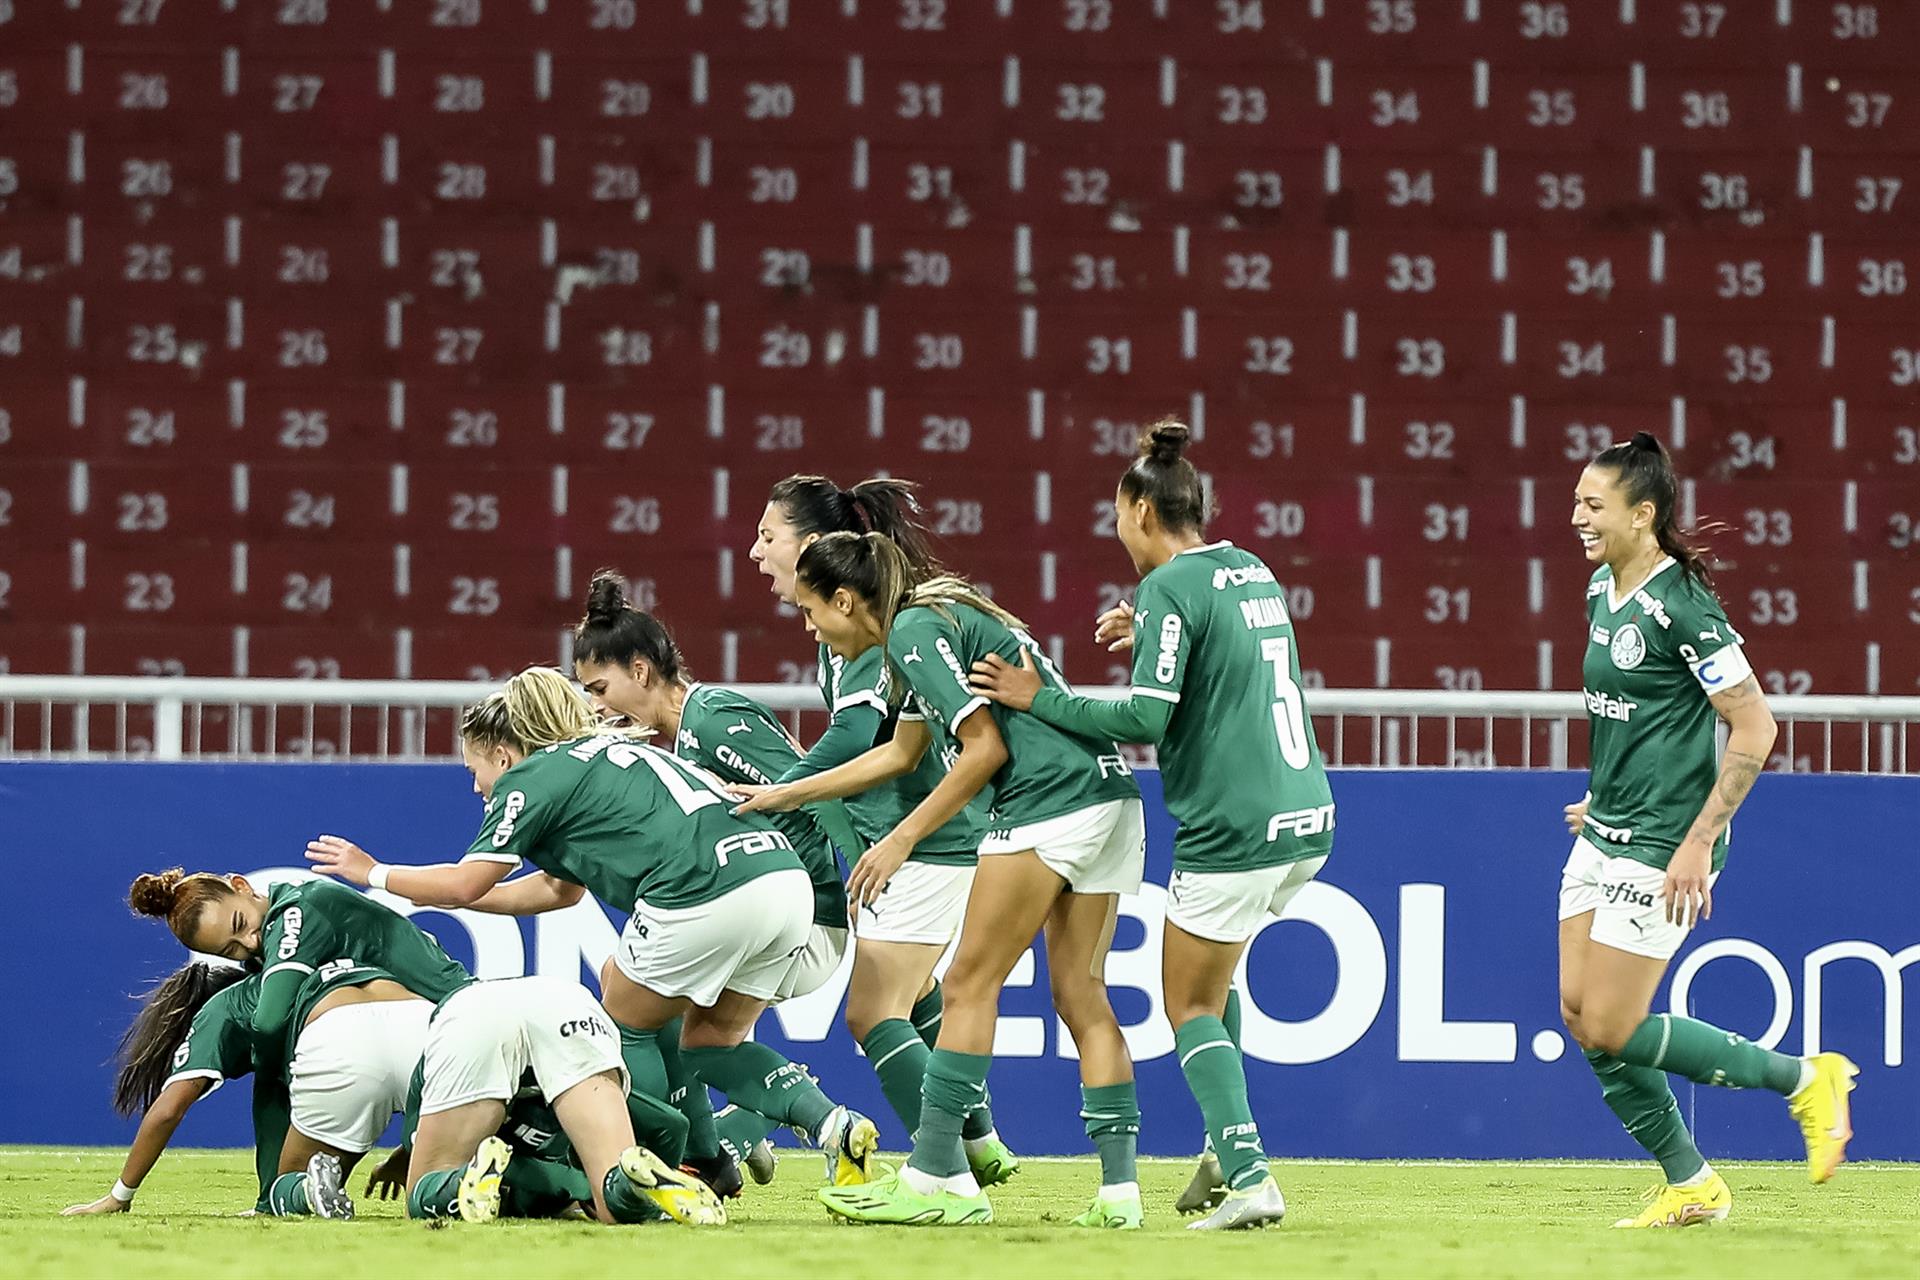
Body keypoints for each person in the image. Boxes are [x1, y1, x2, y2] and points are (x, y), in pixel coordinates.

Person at [303, 668, 882, 1189]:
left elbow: (463, 883)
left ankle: (659, 1168)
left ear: (503, 755)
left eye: (475, 770)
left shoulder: (531, 777)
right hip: (781, 881)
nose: (477, 787)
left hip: (701, 890)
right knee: (708, 1042)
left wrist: (372, 872)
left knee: (621, 1023)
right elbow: (559, 889)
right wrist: (477, 899)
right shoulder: (599, 753)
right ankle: (831, 1124)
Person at [969, 420, 1324, 1230]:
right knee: (1216, 983)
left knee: (1189, 1004)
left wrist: (1037, 697)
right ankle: (1220, 1144)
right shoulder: (1250, 568)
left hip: (1231, 826)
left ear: (1137, 509)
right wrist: (1154, 632)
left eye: (1115, 515)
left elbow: (1149, 717)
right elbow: (1234, 657)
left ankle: (1249, 1174)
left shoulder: (1169, 587)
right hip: (1305, 812)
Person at [736, 534, 1143, 1228]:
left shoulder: (915, 631)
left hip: (1049, 803)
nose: (809, 630)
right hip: (1110, 795)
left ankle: (934, 1179)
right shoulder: (935, 616)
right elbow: (904, 751)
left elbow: (986, 747)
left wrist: (900, 838)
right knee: (1082, 995)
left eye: (812, 613)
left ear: (845, 600)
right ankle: (1119, 1195)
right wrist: (788, 794)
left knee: (964, 989)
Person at [1559, 432, 1855, 1227]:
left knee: (1617, 1024)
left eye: (1594, 504)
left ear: (1642, 513)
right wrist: (1605, 795)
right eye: (1578, 500)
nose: (1577, 516)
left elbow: (1755, 729)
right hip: (1609, 829)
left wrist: (1697, 840)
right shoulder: (1600, 592)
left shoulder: (1682, 605)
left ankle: (1804, 1079)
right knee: (1583, 1019)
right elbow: (1634, 719)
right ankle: (1691, 1183)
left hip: (1666, 844)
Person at [746, 475, 1018, 1185]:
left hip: (925, 839)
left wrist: (781, 793)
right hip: (926, 839)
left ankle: (946, 1175)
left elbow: (864, 741)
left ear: (815, 553)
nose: (754, 552)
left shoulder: (870, 641)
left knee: (872, 1012)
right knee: (918, 993)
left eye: (768, 537)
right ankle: (978, 1146)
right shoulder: (845, 634)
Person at [399, 974, 724, 1226]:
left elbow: (421, 1131)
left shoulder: (433, 1071)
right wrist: (592, 1187)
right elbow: (672, 1124)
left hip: (474, 1013)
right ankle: (630, 1187)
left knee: (422, 1191)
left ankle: (458, 1183)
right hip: (567, 1004)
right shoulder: (555, 1155)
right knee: (612, 1193)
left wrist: (576, 1187)